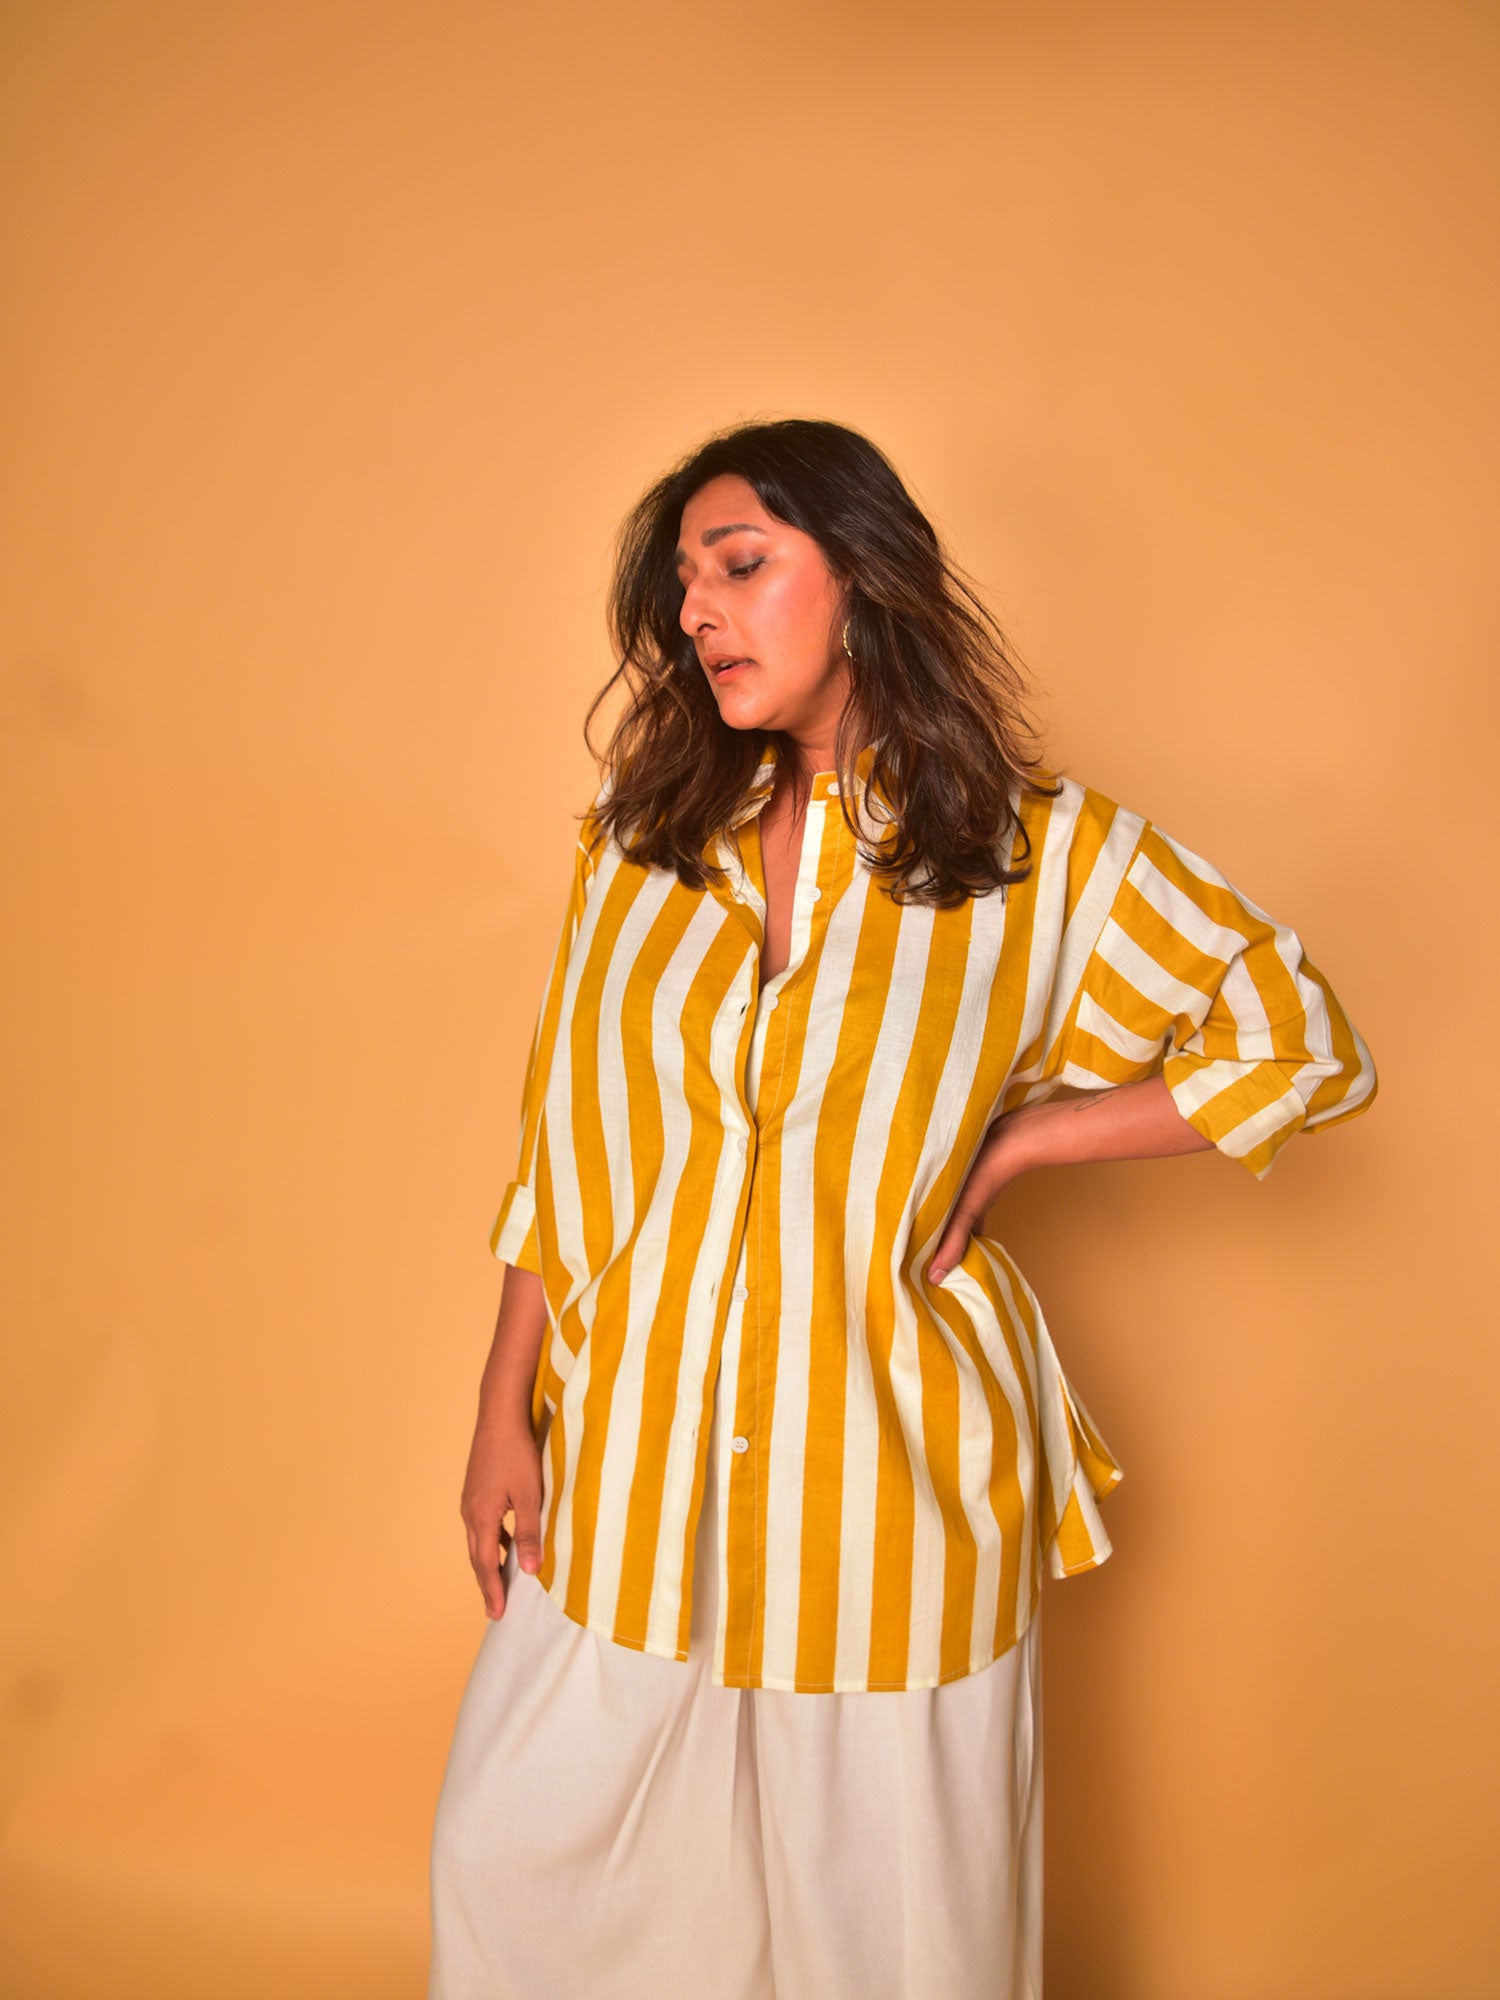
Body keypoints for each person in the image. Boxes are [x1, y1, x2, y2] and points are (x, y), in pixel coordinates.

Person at [426, 418, 1378, 2000]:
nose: (697, 613)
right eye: (684, 585)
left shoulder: (1034, 859)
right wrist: (498, 1407)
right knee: (515, 1861)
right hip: (636, 1464)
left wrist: (1025, 1143)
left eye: (741, 566)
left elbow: (1303, 1046)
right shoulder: (642, 840)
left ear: (862, 578)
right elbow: (566, 1141)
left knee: (898, 1939)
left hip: (892, 1490)